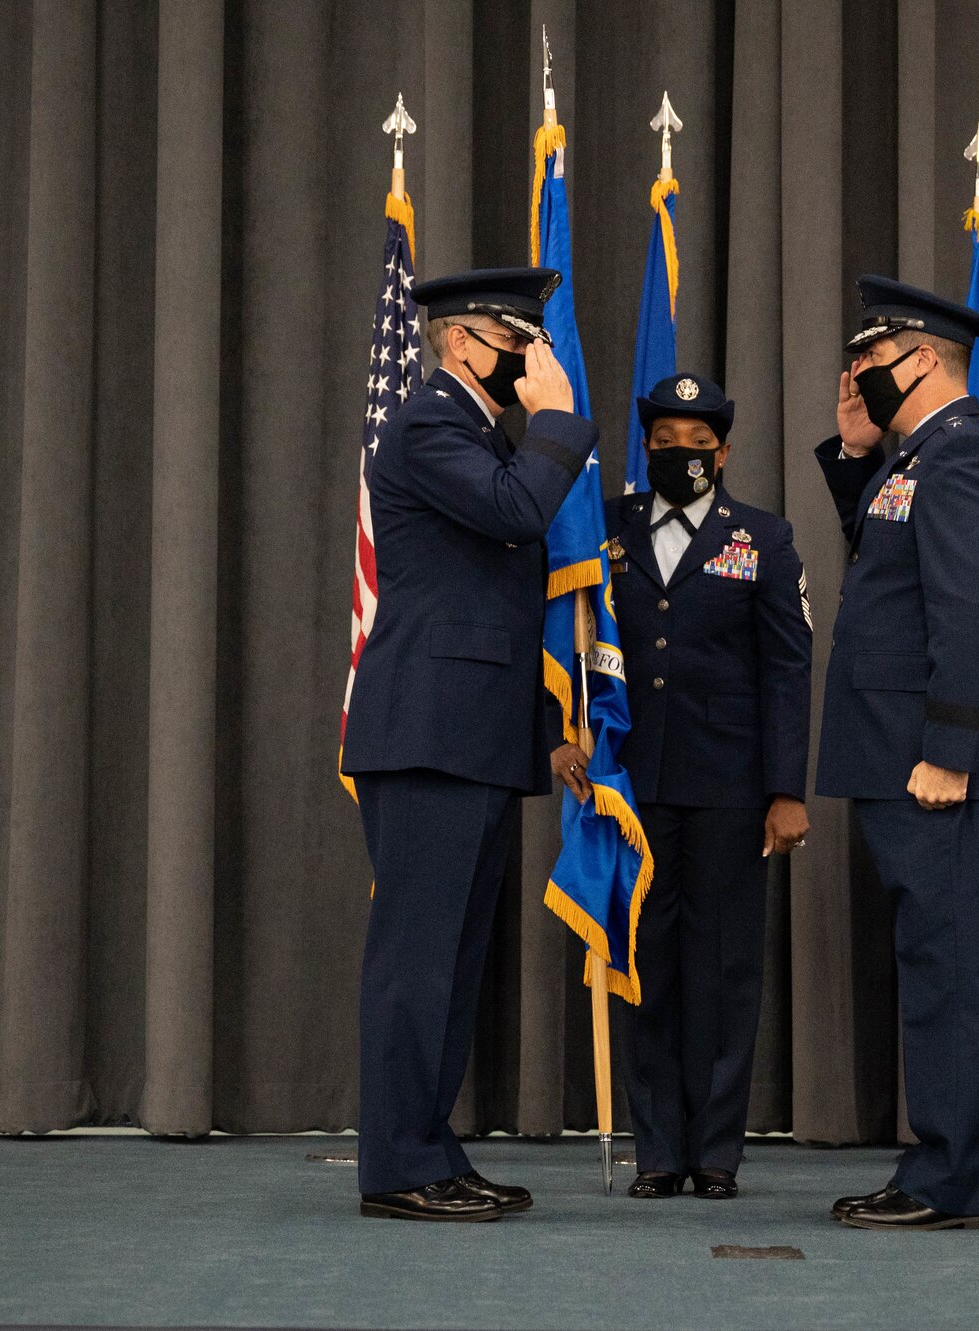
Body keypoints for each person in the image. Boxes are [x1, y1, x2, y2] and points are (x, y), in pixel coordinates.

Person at [340, 266, 598, 1222]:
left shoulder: (481, 433)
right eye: (515, 336)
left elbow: (496, 601)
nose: (533, 354)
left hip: (476, 736)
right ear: (459, 342)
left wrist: (541, 732)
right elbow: (515, 512)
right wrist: (560, 418)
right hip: (427, 733)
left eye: (536, 338)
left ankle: (428, 1146)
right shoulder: (428, 423)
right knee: (416, 958)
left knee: (451, 962)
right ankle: (398, 1166)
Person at [813, 276, 979, 1231]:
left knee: (948, 974)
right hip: (900, 758)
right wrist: (854, 456)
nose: (855, 372)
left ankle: (954, 1182)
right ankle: (941, 1168)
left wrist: (950, 750)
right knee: (932, 966)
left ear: (921, 361)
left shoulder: (963, 461)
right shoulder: (917, 459)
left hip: (940, 767)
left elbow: (968, 612)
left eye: (870, 359)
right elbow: (885, 565)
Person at [581, 373, 814, 1202]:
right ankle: (657, 1150)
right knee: (646, 965)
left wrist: (787, 789)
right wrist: (566, 737)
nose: (682, 454)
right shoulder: (605, 529)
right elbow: (569, 641)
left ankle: (715, 1149)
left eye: (698, 442)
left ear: (724, 449)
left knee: (722, 968)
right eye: (665, 441)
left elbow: (788, 668)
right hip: (632, 785)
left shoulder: (764, 537)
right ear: (646, 446)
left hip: (729, 786)